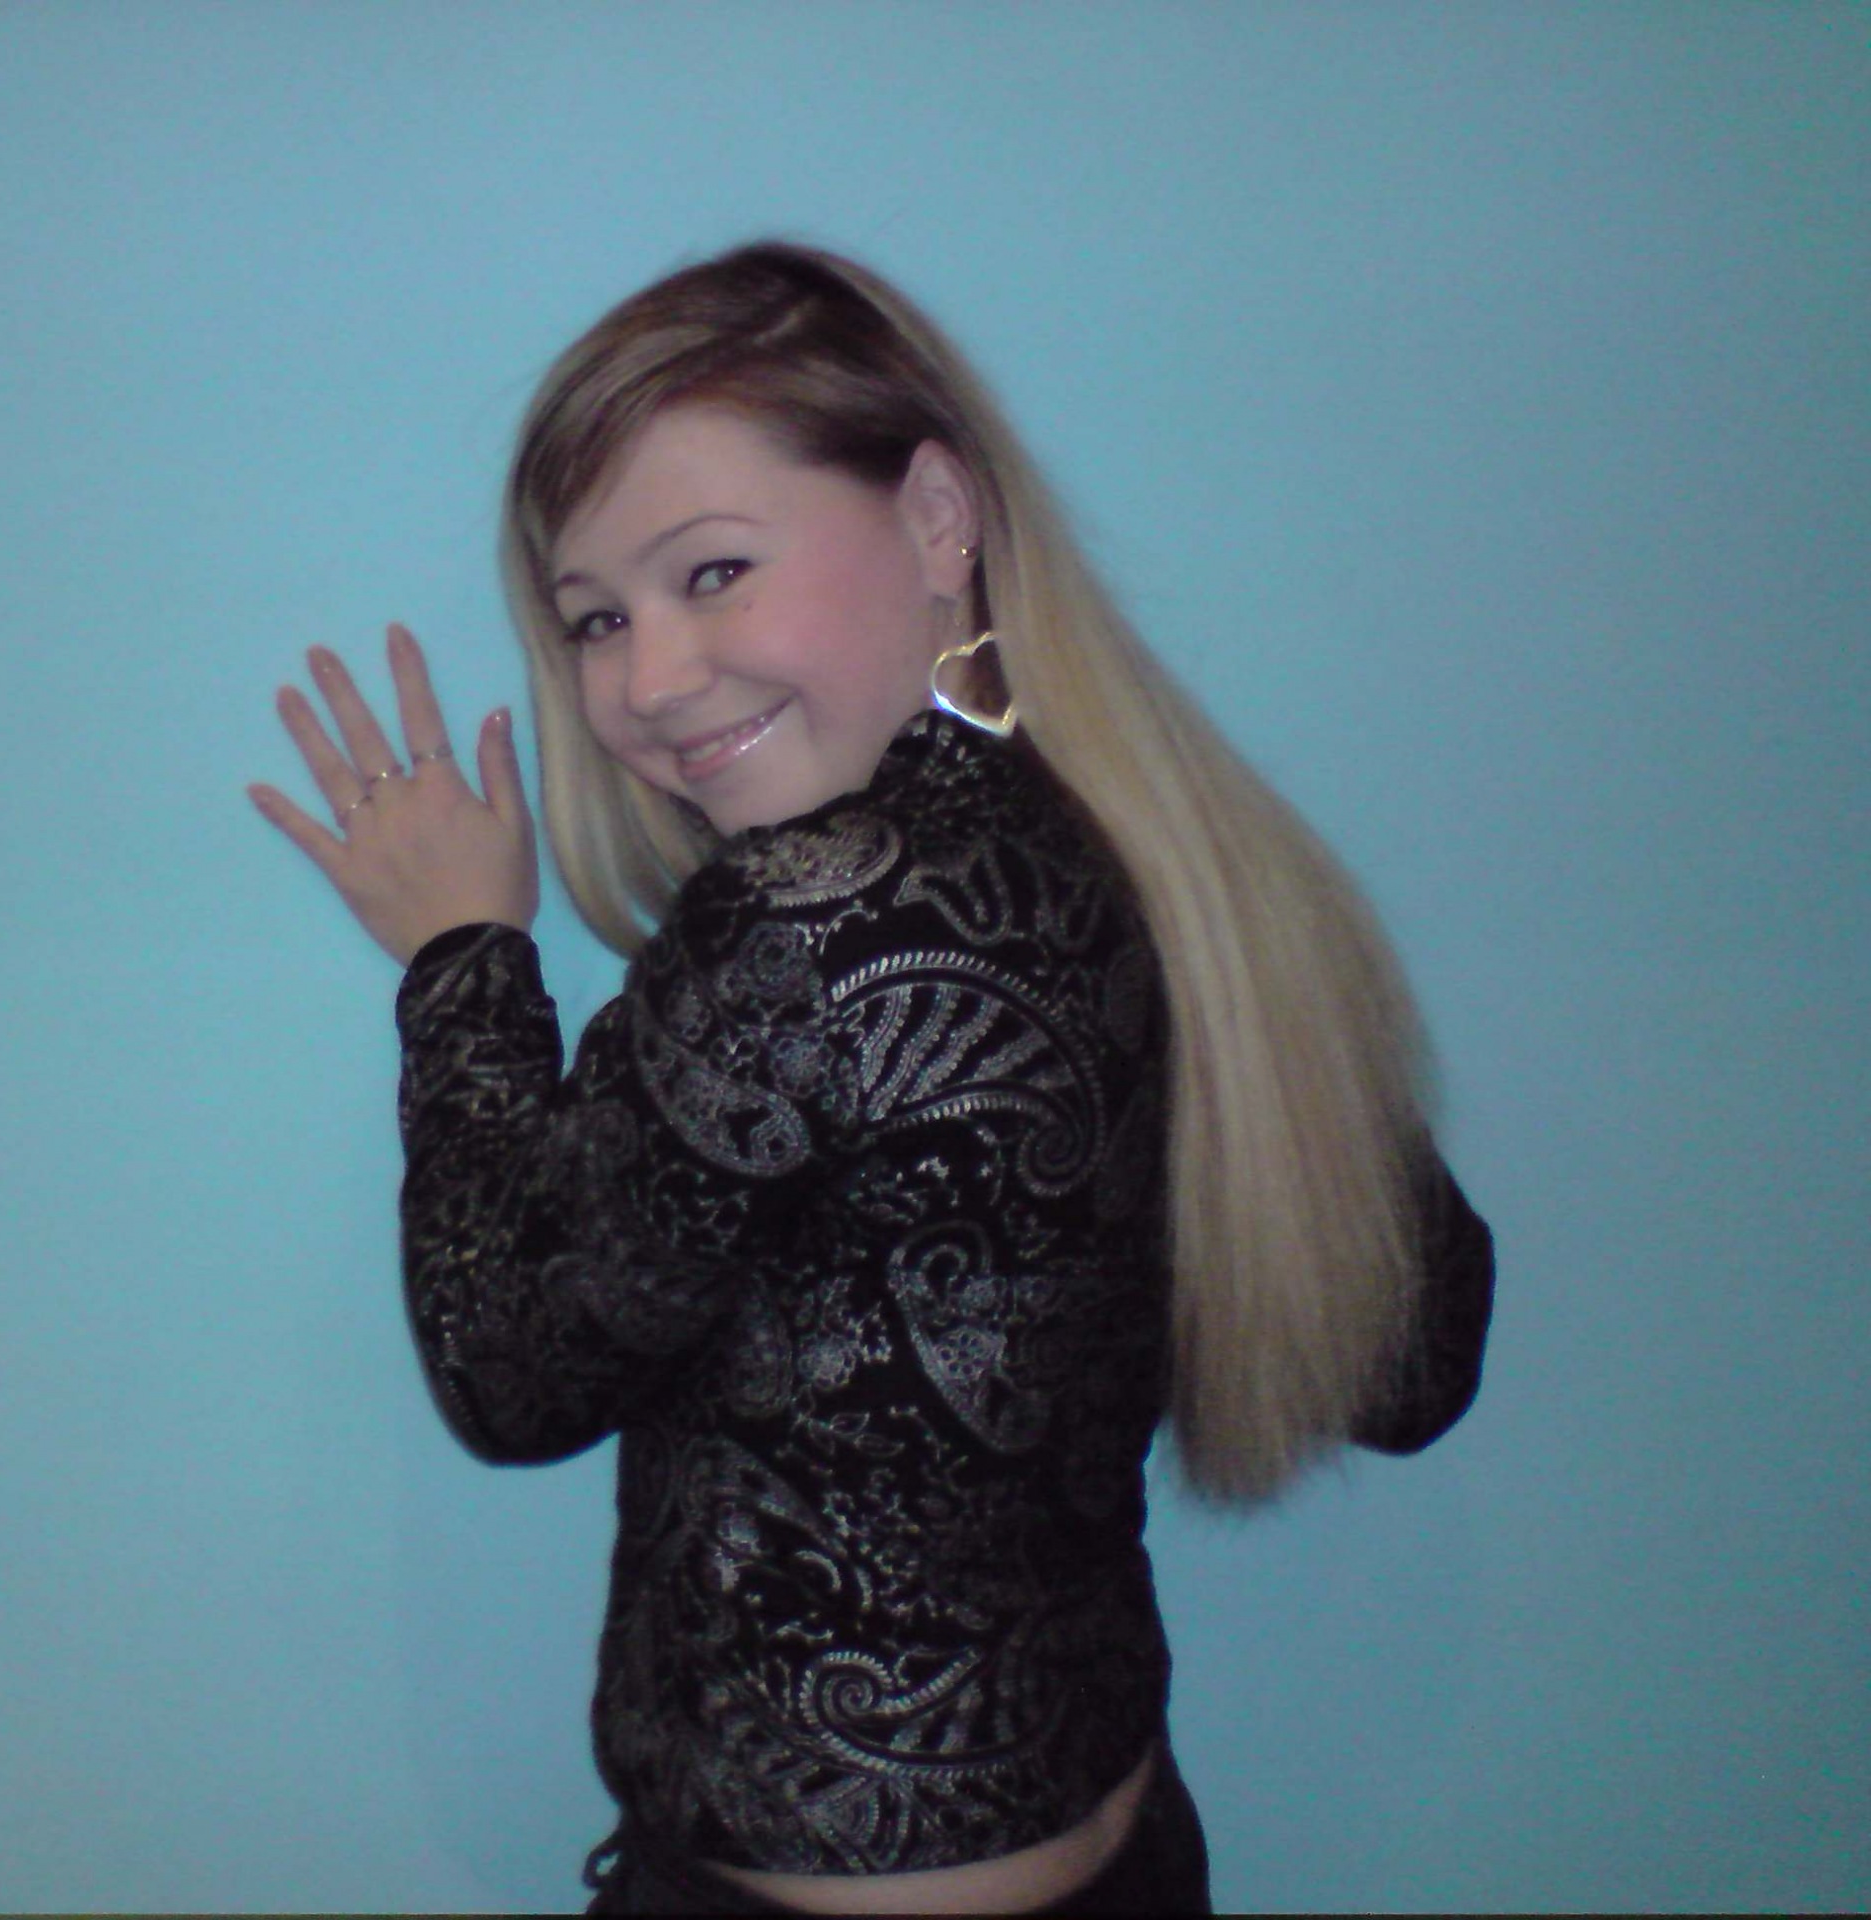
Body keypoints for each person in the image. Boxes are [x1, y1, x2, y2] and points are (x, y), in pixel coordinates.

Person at [249, 242, 1494, 1915]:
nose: (647, 682)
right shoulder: (1171, 857)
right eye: (596, 619)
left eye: (712, 572)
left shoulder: (803, 918)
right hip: (1131, 1864)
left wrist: (462, 956)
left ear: (936, 519)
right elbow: (1415, 1358)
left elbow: (512, 1372)